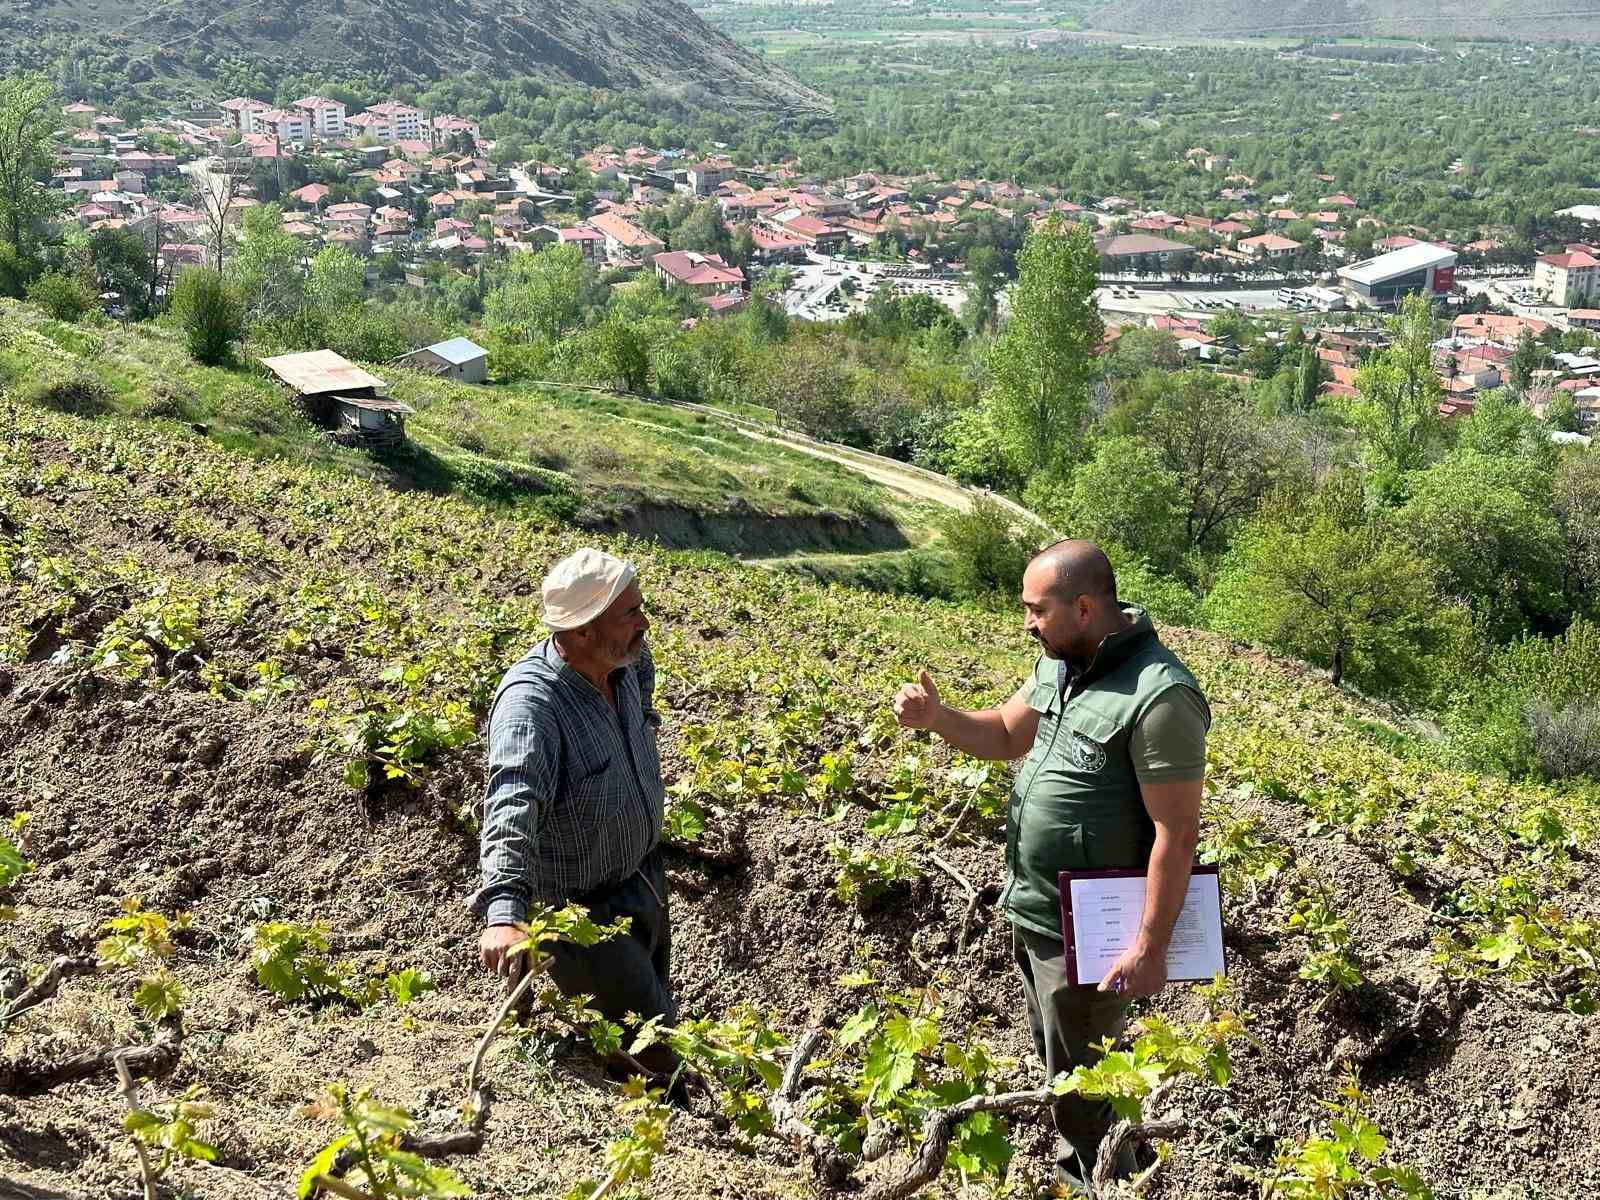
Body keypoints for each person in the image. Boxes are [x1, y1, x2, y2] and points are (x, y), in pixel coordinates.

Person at [892, 539, 1209, 1193]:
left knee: (1082, 1091)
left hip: (1092, 937)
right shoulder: (1062, 664)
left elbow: (1176, 834)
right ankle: (1111, 1166)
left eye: (1037, 610)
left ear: (1084, 608)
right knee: (1062, 1066)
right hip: (1037, 910)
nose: (1027, 624)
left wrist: (1150, 949)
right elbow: (1006, 734)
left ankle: (1103, 1182)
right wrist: (938, 718)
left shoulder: (1159, 696)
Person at [471, 547, 676, 1060]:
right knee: (653, 1048)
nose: (644, 623)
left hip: (644, 879)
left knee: (656, 1013)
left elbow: (642, 718)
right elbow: (512, 805)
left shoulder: (629, 661)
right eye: (630, 613)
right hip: (583, 916)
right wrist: (503, 913)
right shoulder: (532, 707)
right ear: (582, 631)